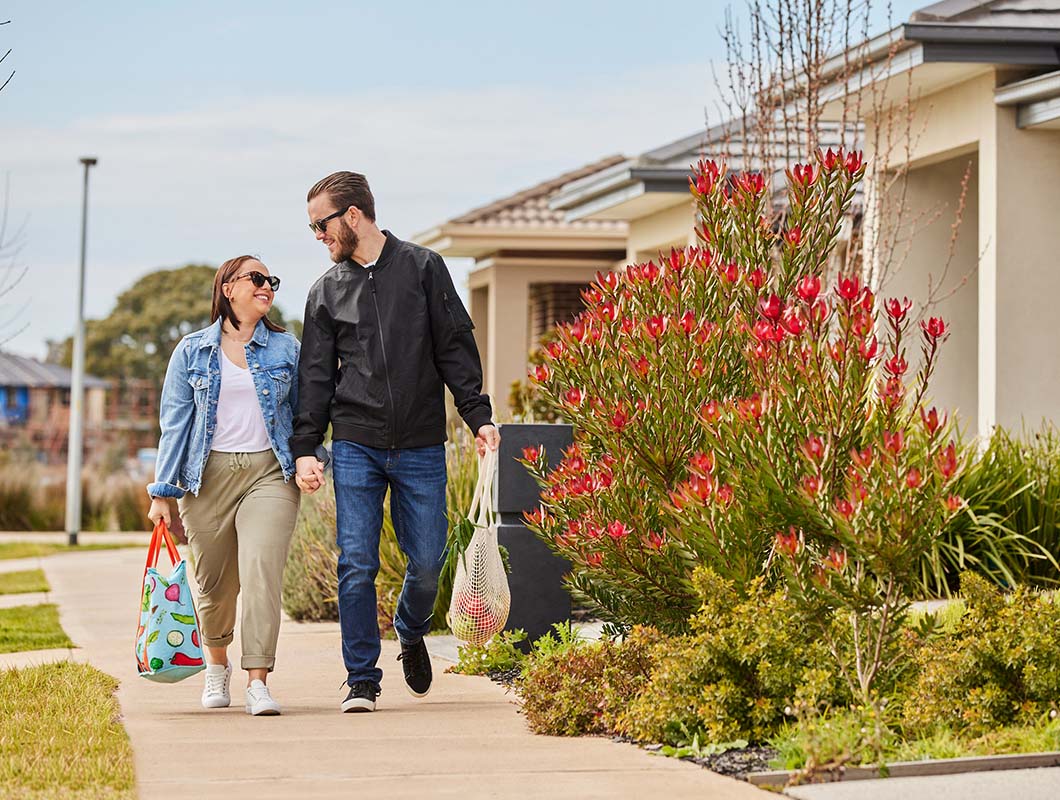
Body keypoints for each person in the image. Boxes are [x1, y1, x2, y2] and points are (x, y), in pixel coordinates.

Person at [292, 171, 500, 713]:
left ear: (354, 216)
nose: (318, 234)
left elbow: (454, 347)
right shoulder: (325, 291)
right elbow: (314, 377)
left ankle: (409, 627)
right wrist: (306, 447)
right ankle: (362, 677)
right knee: (356, 560)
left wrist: (477, 415)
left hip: (421, 443)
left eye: (322, 223)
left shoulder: (424, 268)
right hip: (356, 442)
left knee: (428, 558)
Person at [147, 255, 301, 716]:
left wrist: (314, 457)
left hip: (270, 473)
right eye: (256, 278)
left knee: (260, 572)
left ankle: (258, 679)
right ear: (228, 288)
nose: (266, 285)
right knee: (214, 584)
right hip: (206, 478)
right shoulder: (192, 351)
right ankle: (217, 666)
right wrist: (162, 492)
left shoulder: (287, 349)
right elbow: (174, 424)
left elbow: (310, 413)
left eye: (270, 280)